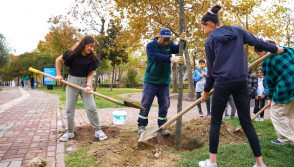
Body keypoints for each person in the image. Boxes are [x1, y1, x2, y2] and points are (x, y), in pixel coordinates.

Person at [199, 5, 284, 167]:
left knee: (215, 122)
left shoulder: (210, 40)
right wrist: (275, 48)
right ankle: (260, 164)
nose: (203, 31)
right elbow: (258, 42)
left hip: (222, 83)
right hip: (240, 81)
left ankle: (212, 163)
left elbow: (211, 70)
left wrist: (205, 91)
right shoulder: (238, 31)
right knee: (247, 123)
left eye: (203, 27)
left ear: (210, 24)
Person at [55, 35, 107, 142]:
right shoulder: (71, 54)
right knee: (69, 109)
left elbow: (90, 74)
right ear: (84, 44)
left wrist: (88, 85)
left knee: (91, 107)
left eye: (93, 47)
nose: (92, 49)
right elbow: (58, 60)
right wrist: (58, 75)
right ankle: (69, 132)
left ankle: (98, 130)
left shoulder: (92, 58)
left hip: (85, 83)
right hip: (72, 82)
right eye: (90, 46)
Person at [137, 28, 186, 136]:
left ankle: (162, 126)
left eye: (168, 40)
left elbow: (178, 49)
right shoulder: (150, 46)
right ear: (159, 37)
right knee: (145, 104)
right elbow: (156, 57)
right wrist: (172, 59)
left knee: (164, 105)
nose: (167, 43)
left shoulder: (169, 44)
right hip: (151, 81)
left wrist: (183, 42)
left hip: (164, 82)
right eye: (164, 40)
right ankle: (141, 126)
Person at [255, 43, 294, 145]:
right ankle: (291, 135)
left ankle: (286, 139)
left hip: (286, 87)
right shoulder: (286, 49)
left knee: (277, 113)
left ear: (262, 51)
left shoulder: (267, 61)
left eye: (259, 54)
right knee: (290, 113)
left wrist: (270, 98)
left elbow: (270, 82)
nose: (259, 57)